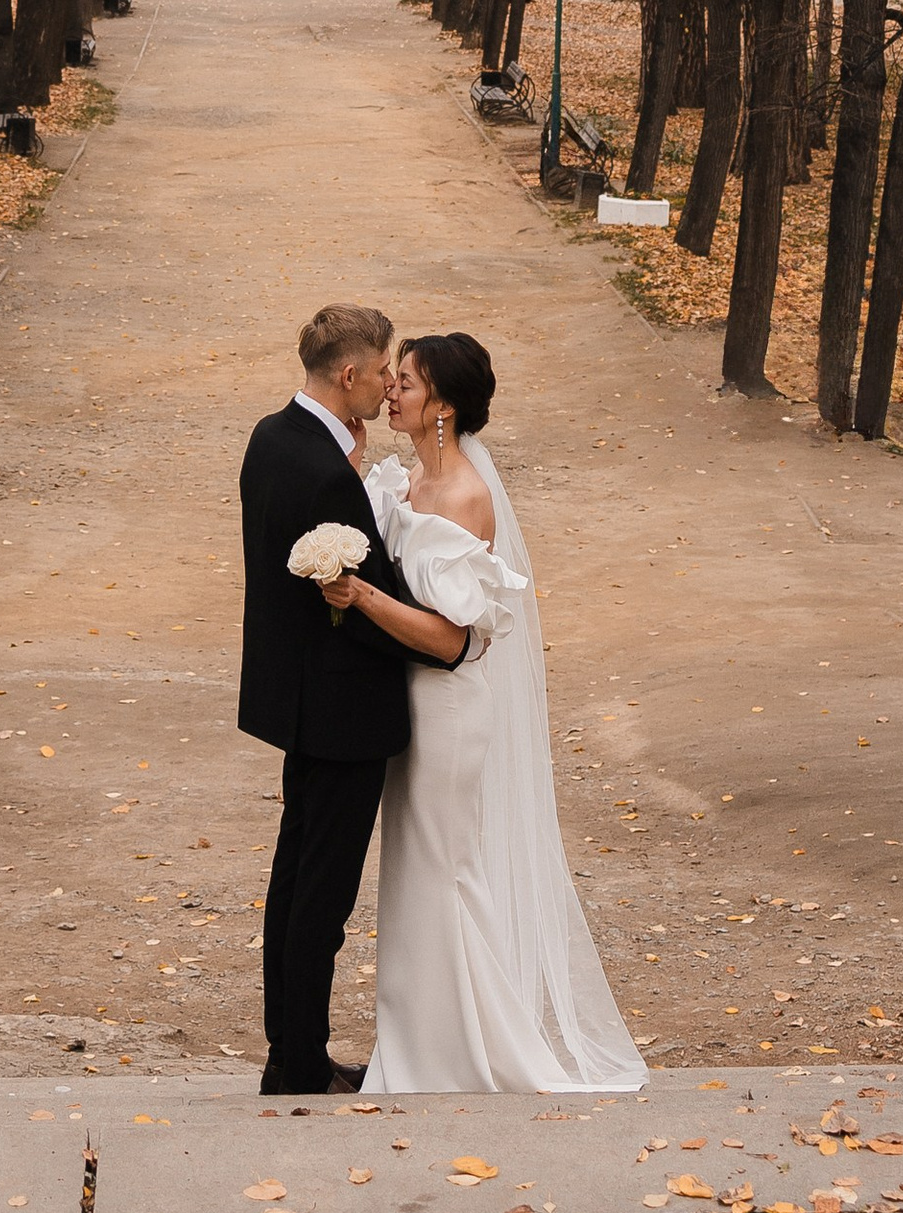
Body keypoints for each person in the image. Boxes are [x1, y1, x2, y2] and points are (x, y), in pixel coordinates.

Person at [322, 331, 645, 1095]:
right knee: (415, 875)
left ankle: (469, 1053)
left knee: (444, 871)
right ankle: (421, 1046)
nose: (391, 390)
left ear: (446, 405)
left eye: (406, 382)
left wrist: (361, 595)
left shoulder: (466, 496)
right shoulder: (406, 483)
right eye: (392, 378)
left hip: (449, 709)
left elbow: (450, 636)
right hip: (411, 705)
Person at [238, 302, 468, 1093]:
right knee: (321, 901)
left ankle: (289, 1050)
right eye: (379, 373)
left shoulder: (273, 439)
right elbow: (360, 599)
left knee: (294, 881)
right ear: (348, 374)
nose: (385, 385)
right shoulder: (324, 471)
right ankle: (298, 1063)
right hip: (343, 717)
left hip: (296, 703)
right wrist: (443, 641)